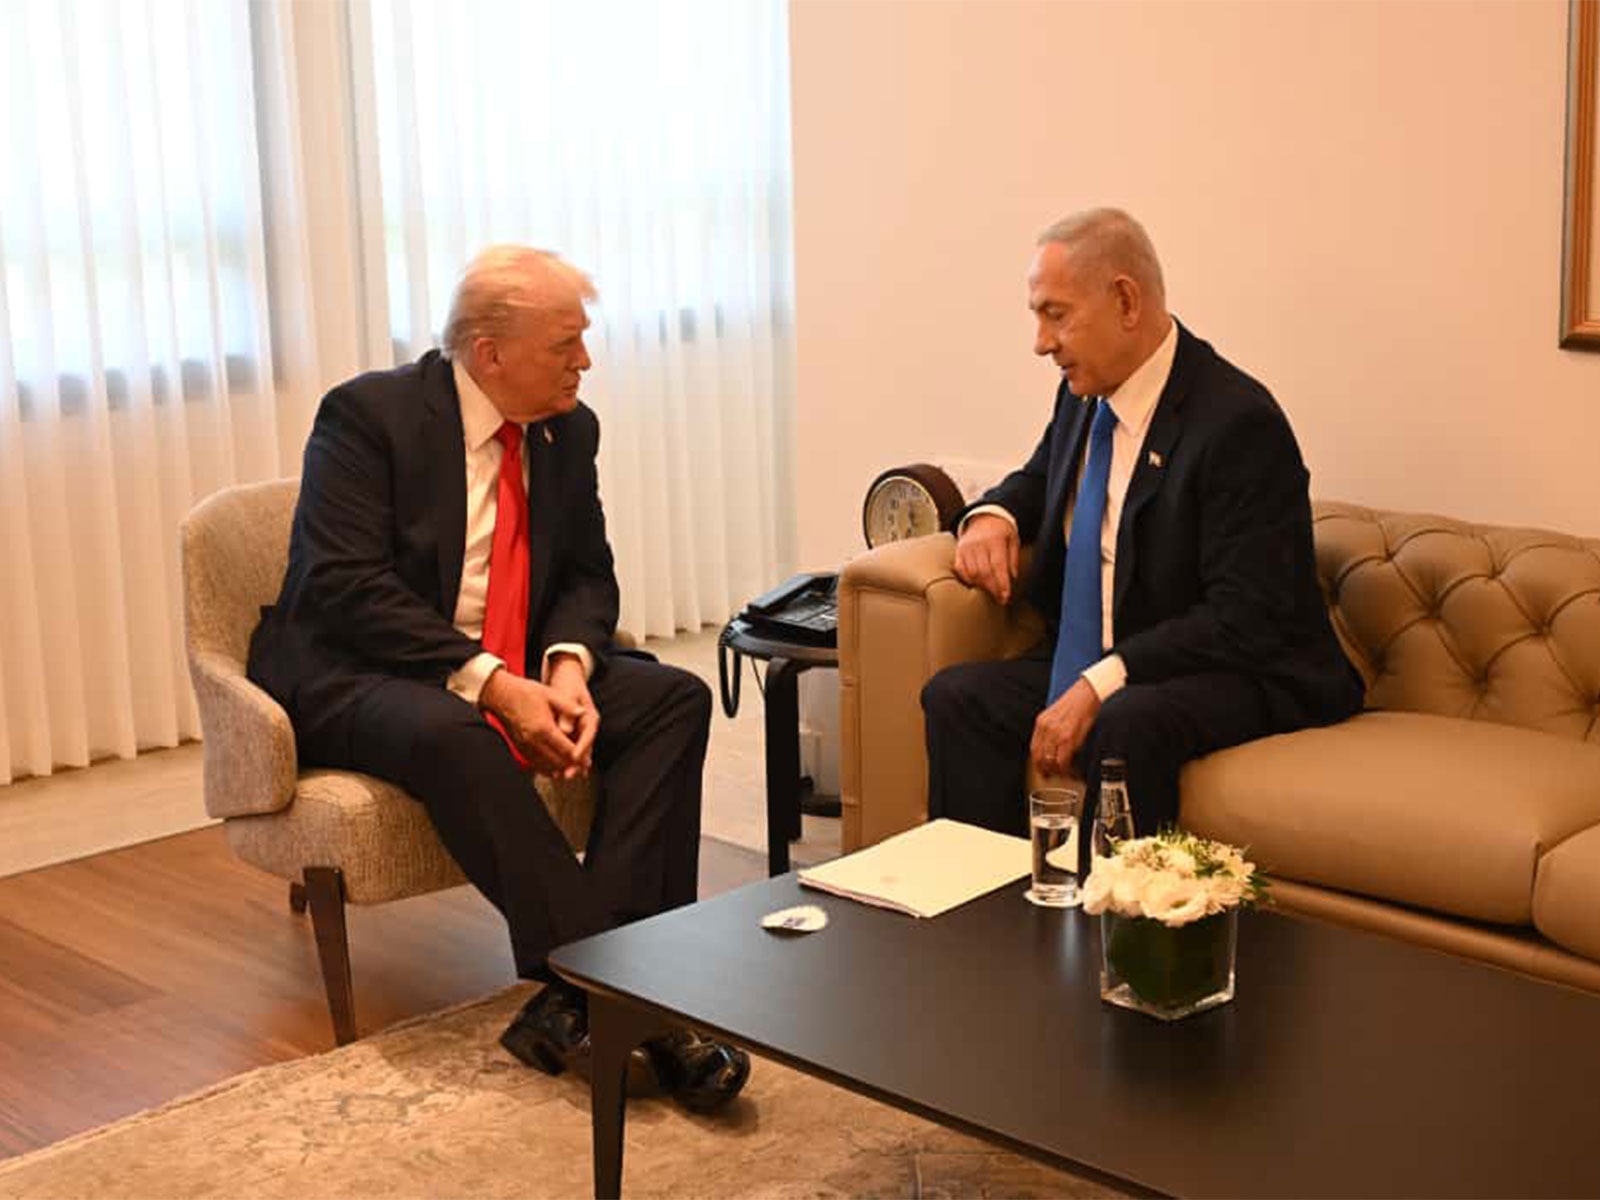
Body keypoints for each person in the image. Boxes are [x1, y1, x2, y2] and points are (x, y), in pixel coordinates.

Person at [247, 246, 748, 1111]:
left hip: (512, 655)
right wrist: (492, 683)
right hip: (358, 668)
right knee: (459, 730)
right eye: (565, 344)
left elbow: (588, 574)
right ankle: (633, 998)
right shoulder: (369, 417)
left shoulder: (567, 429)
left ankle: (585, 996)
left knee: (672, 697)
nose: (584, 362)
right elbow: (344, 585)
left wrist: (567, 667)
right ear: (489, 353)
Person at [922, 209, 1363, 859]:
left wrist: (1104, 681)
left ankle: (1116, 936)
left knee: (1127, 722)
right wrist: (993, 515)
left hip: (1239, 668)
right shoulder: (1084, 394)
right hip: (1115, 656)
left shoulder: (1237, 423)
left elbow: (1245, 617)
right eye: (1037, 317)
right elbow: (1042, 477)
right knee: (958, 698)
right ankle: (981, 923)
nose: (1041, 342)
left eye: (1056, 314)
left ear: (1126, 300)